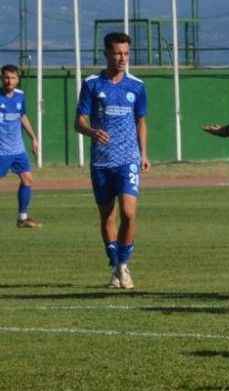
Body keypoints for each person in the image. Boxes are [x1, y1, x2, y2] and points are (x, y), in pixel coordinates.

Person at [75, 32, 150, 289]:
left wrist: (144, 154)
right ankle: (117, 265)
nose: (122, 58)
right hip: (101, 162)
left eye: (126, 53)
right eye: (118, 53)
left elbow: (141, 121)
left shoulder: (136, 86)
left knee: (129, 214)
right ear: (106, 53)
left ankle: (123, 265)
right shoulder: (92, 84)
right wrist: (91, 131)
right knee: (107, 216)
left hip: (128, 158)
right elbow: (79, 121)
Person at [0, 64, 41, 228]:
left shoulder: (20, 96)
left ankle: (22, 218)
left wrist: (33, 137)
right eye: (6, 77)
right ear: (2, 78)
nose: (9, 81)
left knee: (27, 179)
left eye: (12, 77)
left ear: (18, 80)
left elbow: (22, 116)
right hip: (2, 150)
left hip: (18, 149)